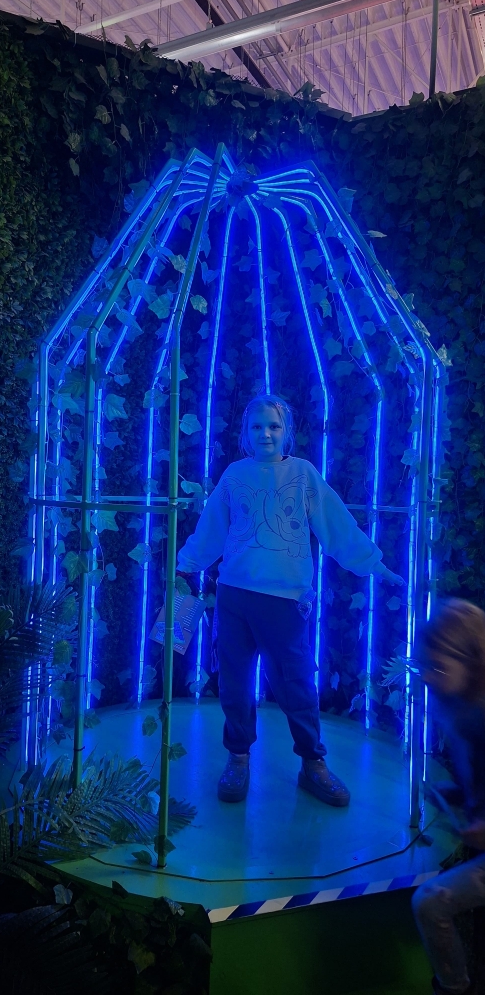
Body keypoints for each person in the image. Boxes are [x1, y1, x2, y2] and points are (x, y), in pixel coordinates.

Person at [176, 393, 403, 806]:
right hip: (234, 597)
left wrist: (374, 564)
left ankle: (313, 763)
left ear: (287, 432)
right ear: (245, 433)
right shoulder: (234, 475)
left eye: (274, 426)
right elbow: (211, 530)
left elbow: (336, 524)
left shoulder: (302, 474)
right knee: (235, 681)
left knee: (296, 682)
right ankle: (238, 757)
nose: (265, 433)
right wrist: (185, 564)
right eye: (257, 426)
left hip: (285, 601)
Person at [412, 599, 485, 995]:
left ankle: (454, 989)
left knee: (429, 902)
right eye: (426, 666)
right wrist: (457, 794)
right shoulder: (461, 707)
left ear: (472, 664)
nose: (427, 677)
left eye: (438, 668)